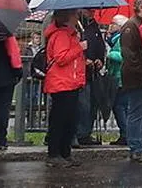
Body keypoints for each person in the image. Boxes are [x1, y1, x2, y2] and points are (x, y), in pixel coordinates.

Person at [43, 9, 87, 167]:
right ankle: (54, 153)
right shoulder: (61, 35)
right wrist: (79, 48)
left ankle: (64, 152)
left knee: (69, 120)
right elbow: (61, 58)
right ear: (67, 17)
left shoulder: (70, 34)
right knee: (60, 120)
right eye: (75, 14)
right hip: (62, 83)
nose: (78, 17)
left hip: (70, 82)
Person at [119, 0, 142, 163]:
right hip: (136, 77)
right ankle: (135, 146)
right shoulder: (130, 26)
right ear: (140, 7)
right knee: (137, 113)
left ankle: (141, 144)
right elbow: (129, 54)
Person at [76, 10, 106, 146]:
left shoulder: (94, 26)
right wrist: (84, 59)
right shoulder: (77, 26)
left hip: (93, 71)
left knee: (93, 104)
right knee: (83, 104)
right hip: (81, 72)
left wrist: (100, 59)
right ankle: (81, 133)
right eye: (89, 10)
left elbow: (100, 45)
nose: (92, 12)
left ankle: (86, 132)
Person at [104, 15, 128, 146]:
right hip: (116, 76)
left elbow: (123, 56)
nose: (110, 26)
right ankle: (125, 132)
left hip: (120, 77)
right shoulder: (114, 39)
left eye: (113, 23)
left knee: (119, 106)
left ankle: (125, 133)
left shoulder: (121, 39)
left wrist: (109, 54)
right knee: (120, 106)